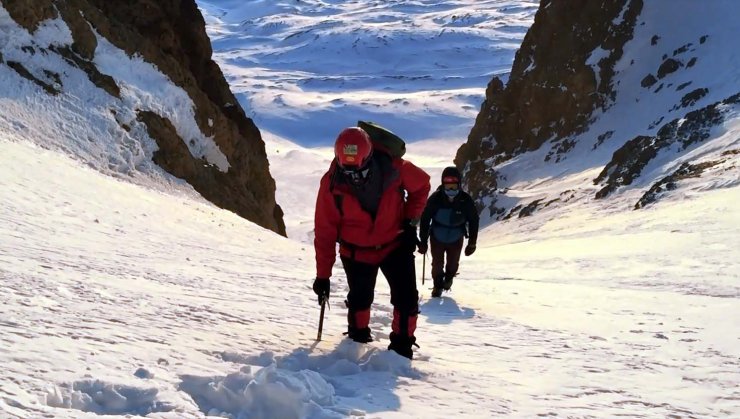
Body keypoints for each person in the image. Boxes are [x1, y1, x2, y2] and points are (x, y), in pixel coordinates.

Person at [312, 127, 430, 359]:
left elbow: (422, 186)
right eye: (347, 170)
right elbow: (325, 232)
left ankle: (402, 347)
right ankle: (357, 338)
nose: (353, 175)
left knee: (406, 299)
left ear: (369, 156)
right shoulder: (331, 184)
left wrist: (409, 222)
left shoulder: (395, 168)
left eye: (359, 169)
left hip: (395, 244)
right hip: (355, 252)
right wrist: (322, 276)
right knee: (360, 298)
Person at [418, 166, 479, 298]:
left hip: (456, 238)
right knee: (437, 264)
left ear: (459, 184)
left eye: (453, 186)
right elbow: (425, 219)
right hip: (437, 237)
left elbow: (474, 220)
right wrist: (423, 241)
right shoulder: (435, 199)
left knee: (452, 264)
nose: (451, 189)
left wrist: (472, 243)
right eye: (448, 186)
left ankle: (449, 278)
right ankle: (437, 285)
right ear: (443, 184)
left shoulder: (465, 200)